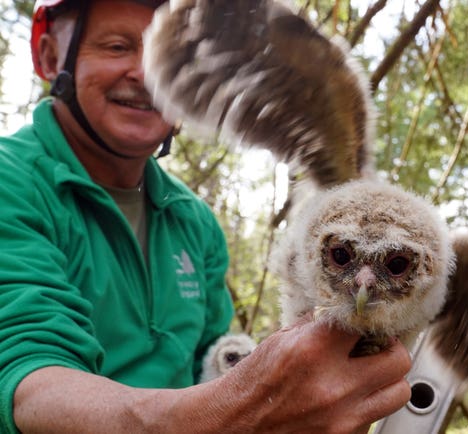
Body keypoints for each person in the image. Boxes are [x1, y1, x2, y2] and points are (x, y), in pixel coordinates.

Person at [0, 1, 412, 433]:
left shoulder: (192, 221)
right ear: (50, 57)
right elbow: (26, 383)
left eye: (163, 53)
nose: (144, 74)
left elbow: (210, 358)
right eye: (118, 47)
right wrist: (234, 411)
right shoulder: (13, 181)